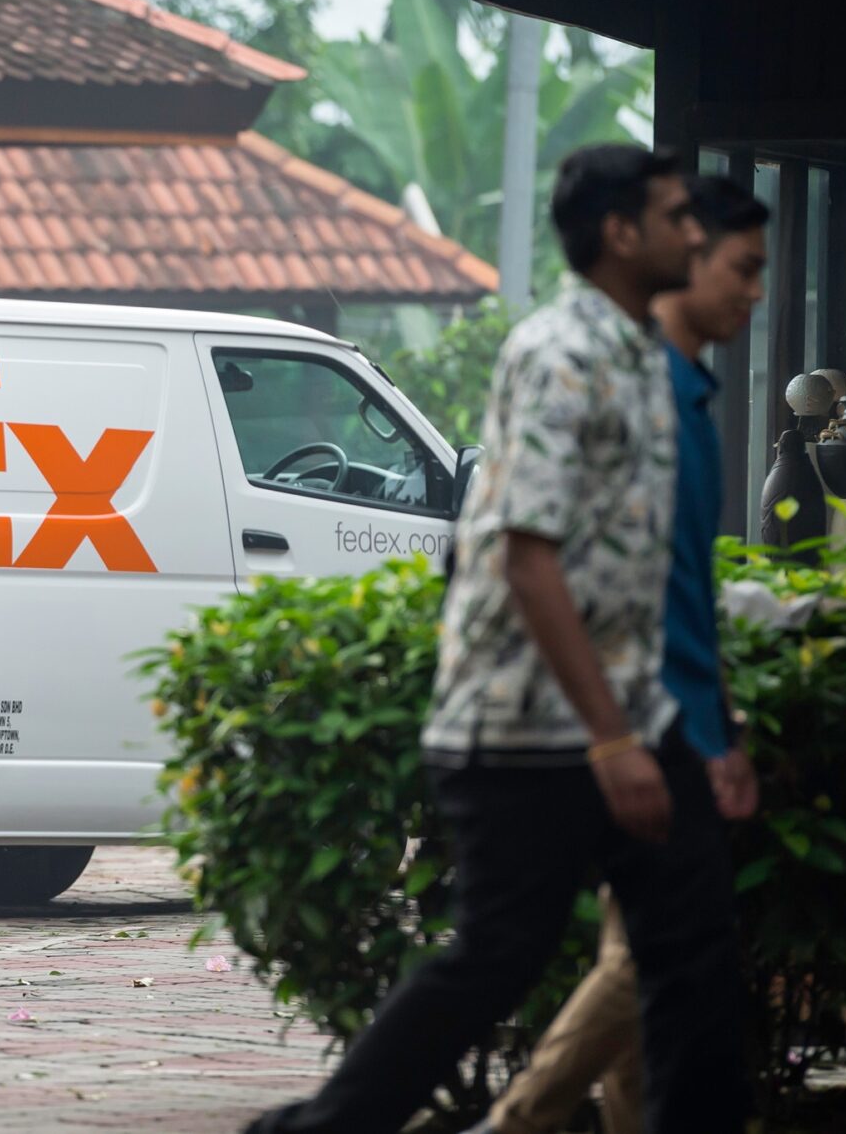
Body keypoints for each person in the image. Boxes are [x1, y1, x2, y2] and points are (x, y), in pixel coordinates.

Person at [248, 144, 749, 1134]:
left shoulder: (649, 363)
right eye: (673, 216)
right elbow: (528, 557)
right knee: (496, 958)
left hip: (627, 719)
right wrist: (612, 739)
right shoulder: (558, 355)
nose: (694, 234)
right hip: (525, 730)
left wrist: (703, 727)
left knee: (693, 956)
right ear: (620, 234)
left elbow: (654, 576)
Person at [474, 175, 769, 1134]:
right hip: (634, 729)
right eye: (740, 266)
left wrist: (720, 723)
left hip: (664, 724)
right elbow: (583, 581)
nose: (755, 291)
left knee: (650, 969)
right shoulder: (627, 388)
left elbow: (682, 590)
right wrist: (646, 736)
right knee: (650, 953)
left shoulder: (680, 394)